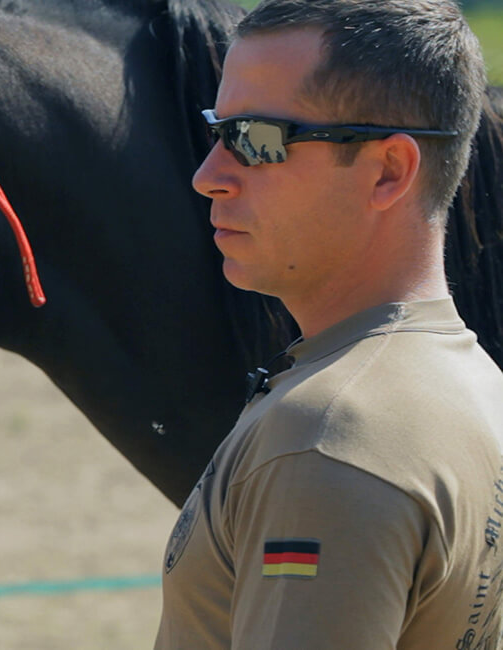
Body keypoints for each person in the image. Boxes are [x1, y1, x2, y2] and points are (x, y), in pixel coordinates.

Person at [155, 1, 503, 648]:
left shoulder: (327, 436)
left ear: (388, 171)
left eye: (255, 139)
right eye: (217, 130)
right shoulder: (475, 383)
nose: (209, 177)